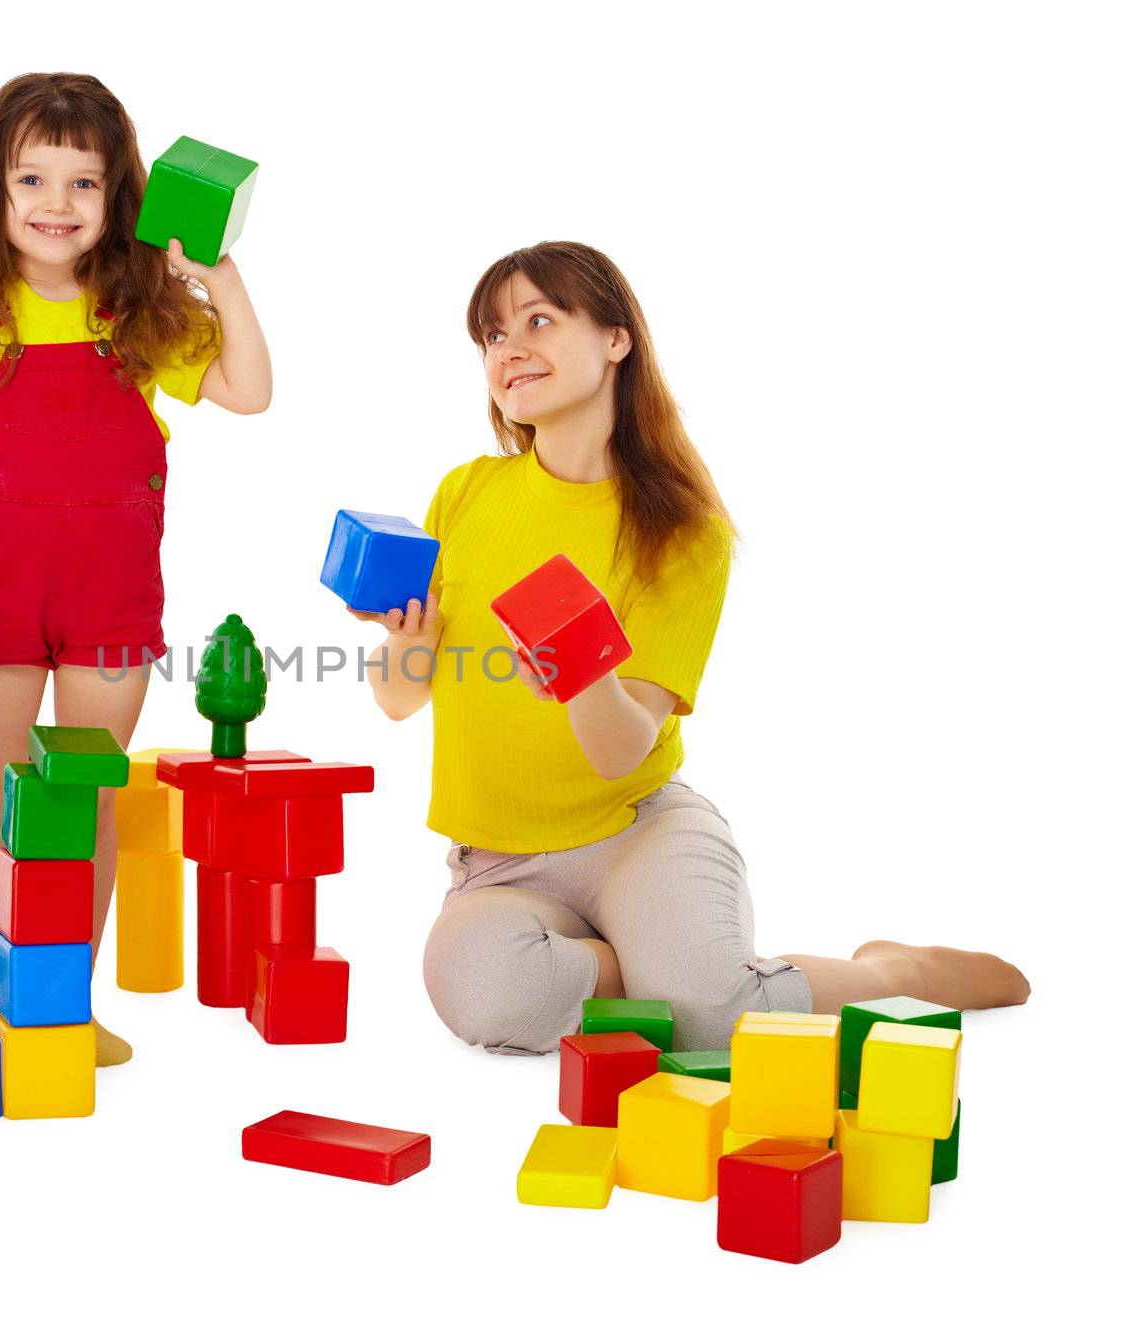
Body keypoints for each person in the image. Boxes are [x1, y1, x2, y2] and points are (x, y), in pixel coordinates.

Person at [353, 240, 1027, 1054]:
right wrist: (409, 645)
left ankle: (892, 972)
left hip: (634, 829)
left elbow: (620, 748)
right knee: (488, 999)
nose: (510, 350)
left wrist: (579, 681)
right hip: (501, 864)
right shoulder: (466, 492)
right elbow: (396, 700)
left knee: (714, 1022)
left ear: (616, 339)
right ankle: (649, 966)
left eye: (539, 320)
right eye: (493, 336)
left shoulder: (680, 533)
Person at [0, 73, 272, 1065]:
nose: (54, 202)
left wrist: (225, 281)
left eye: (83, 183)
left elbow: (247, 392)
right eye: (30, 176)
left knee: (83, 800)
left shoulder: (145, 318)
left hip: (113, 606)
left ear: (117, 198)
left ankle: (59, 992)